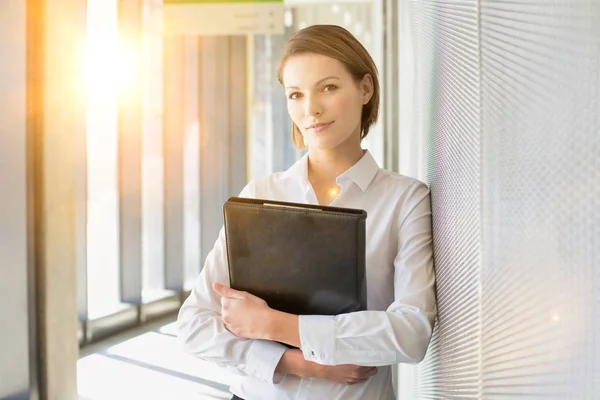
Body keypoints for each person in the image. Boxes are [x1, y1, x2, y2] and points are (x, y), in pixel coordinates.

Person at [177, 24, 437, 400]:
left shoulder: (405, 200)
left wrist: (275, 324)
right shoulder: (261, 194)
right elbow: (194, 324)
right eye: (295, 94)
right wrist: (297, 362)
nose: (310, 109)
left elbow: (411, 334)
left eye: (328, 88)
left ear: (365, 89)